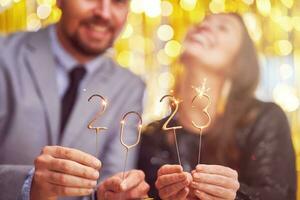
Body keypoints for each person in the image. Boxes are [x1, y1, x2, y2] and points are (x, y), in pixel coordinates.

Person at [0, 0, 149, 199]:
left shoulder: (130, 86)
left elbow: (112, 178)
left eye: (118, 2)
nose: (104, 13)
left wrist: (108, 194)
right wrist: (27, 184)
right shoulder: (5, 56)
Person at [138, 13, 297, 200]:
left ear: (239, 63)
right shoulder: (152, 136)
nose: (203, 27)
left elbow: (279, 194)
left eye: (222, 27)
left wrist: (235, 196)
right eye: (202, 22)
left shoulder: (265, 119)